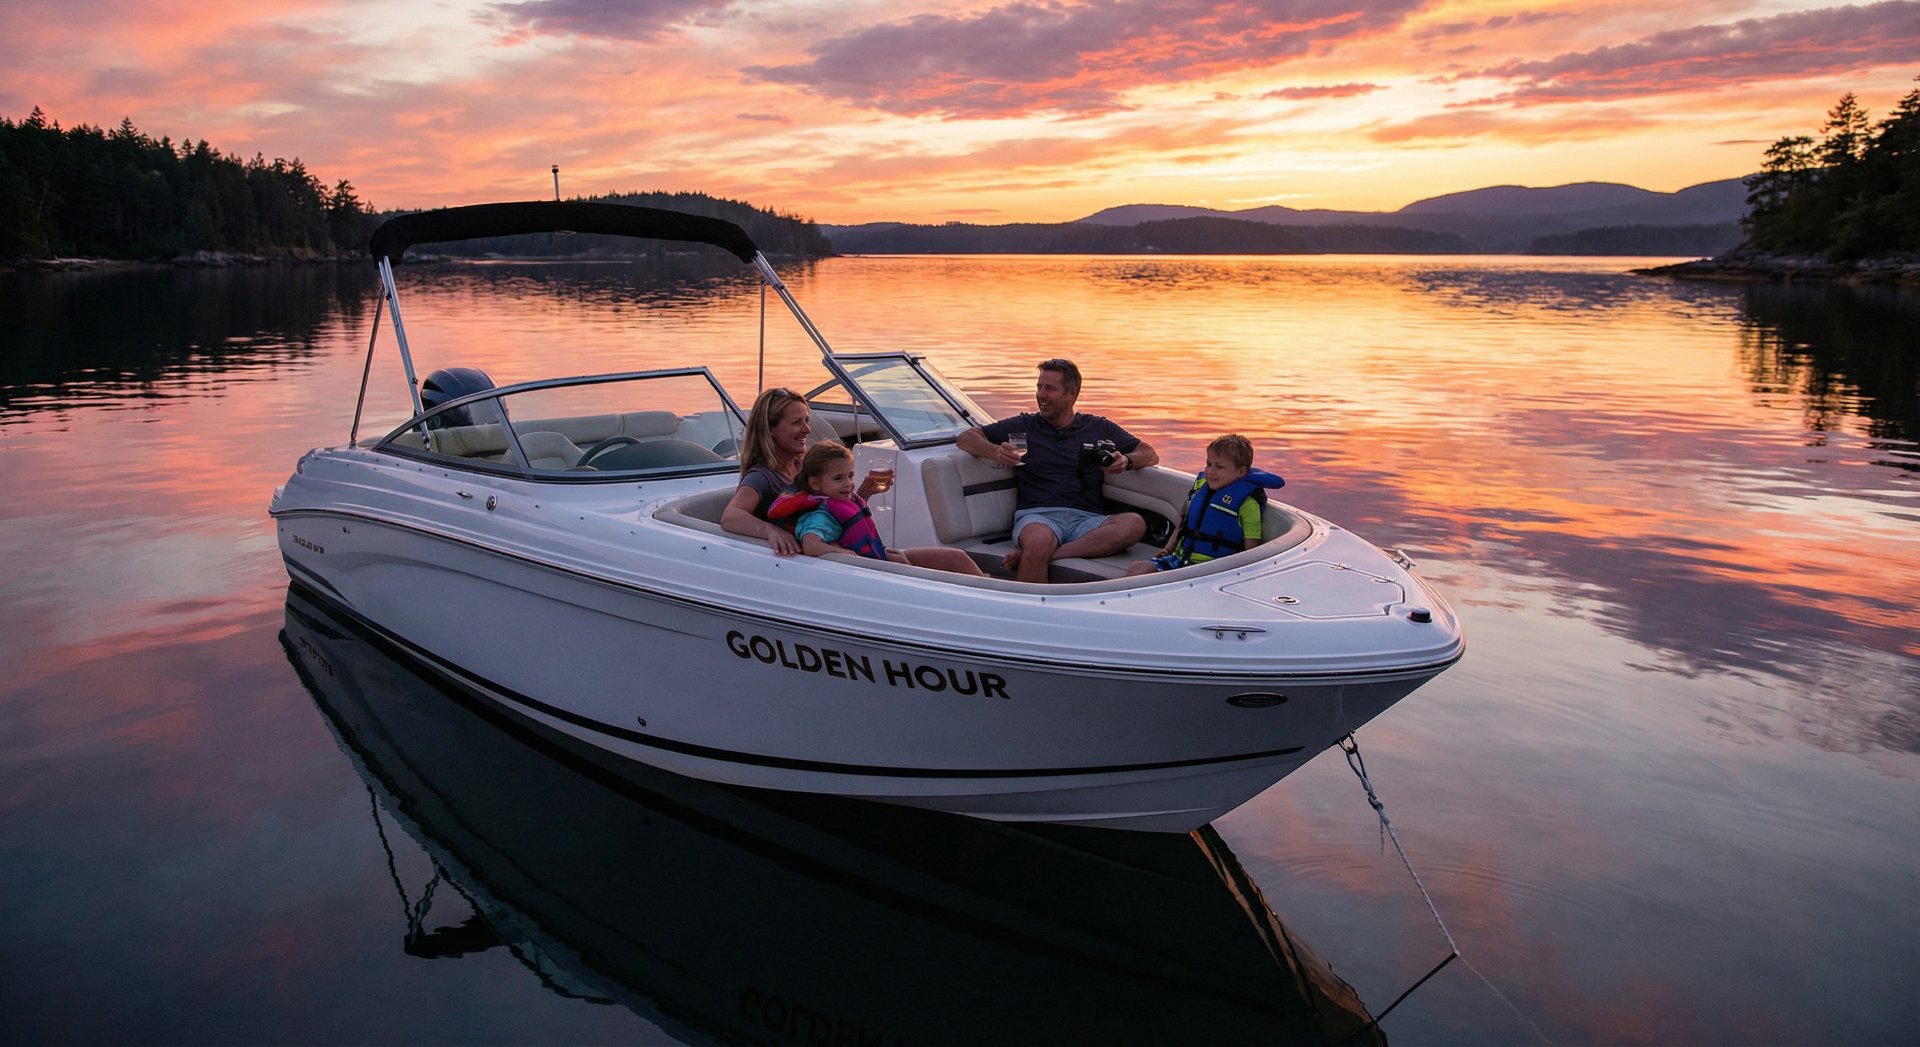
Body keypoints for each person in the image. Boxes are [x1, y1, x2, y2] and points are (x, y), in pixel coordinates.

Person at [955, 358, 1160, 583]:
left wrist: (1126, 461)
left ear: (1072, 394)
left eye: (1050, 389)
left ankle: (1046, 555)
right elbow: (966, 438)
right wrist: (994, 451)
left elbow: (1149, 453)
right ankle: (1031, 608)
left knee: (1134, 524)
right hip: (1038, 516)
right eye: (1039, 387)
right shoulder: (1023, 425)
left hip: (1087, 520)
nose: (1041, 395)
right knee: (1038, 541)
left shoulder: (1097, 427)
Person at [770, 442, 984, 575]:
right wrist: (846, 554)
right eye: (838, 478)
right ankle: (987, 600)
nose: (847, 484)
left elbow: (850, 523)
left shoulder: (838, 501)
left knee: (957, 557)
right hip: (870, 572)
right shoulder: (820, 515)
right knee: (923, 569)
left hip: (879, 558)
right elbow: (811, 545)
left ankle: (989, 593)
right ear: (815, 483)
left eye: (850, 476)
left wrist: (866, 493)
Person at [721, 387, 887, 556]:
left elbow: (830, 511)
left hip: (841, 553)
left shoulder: (802, 466)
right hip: (820, 562)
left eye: (807, 421)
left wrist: (863, 493)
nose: (807, 429)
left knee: (908, 557)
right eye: (796, 422)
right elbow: (730, 516)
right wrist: (771, 531)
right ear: (770, 429)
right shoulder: (762, 477)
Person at [1127, 433, 1284, 575]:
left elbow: (1251, 549)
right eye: (1208, 464)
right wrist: (1166, 550)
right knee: (1138, 568)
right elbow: (1182, 525)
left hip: (1214, 570)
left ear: (1241, 472)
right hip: (1181, 560)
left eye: (1219, 467)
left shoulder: (1247, 504)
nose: (1210, 471)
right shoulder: (1200, 489)